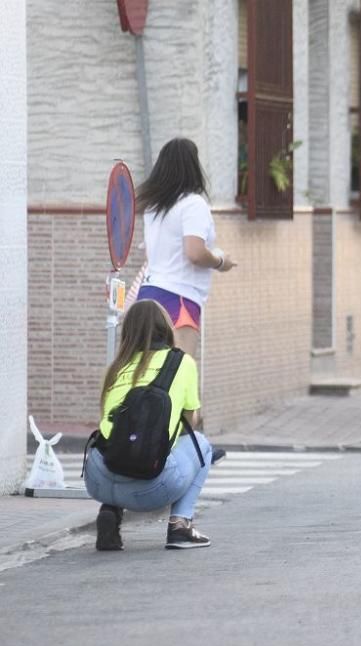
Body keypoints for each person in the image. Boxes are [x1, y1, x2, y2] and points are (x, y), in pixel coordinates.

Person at [83, 300, 215, 551]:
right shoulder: (182, 363)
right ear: (166, 327)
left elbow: (108, 424)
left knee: (122, 441)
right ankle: (180, 526)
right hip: (150, 487)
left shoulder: (116, 367)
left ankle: (110, 509)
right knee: (201, 445)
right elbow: (190, 422)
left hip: (98, 480)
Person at [135, 138, 237, 357]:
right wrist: (220, 262)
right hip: (178, 299)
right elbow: (195, 252)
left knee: (146, 375)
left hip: (147, 296)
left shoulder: (153, 207)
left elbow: (151, 255)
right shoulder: (193, 204)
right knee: (180, 374)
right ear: (192, 167)